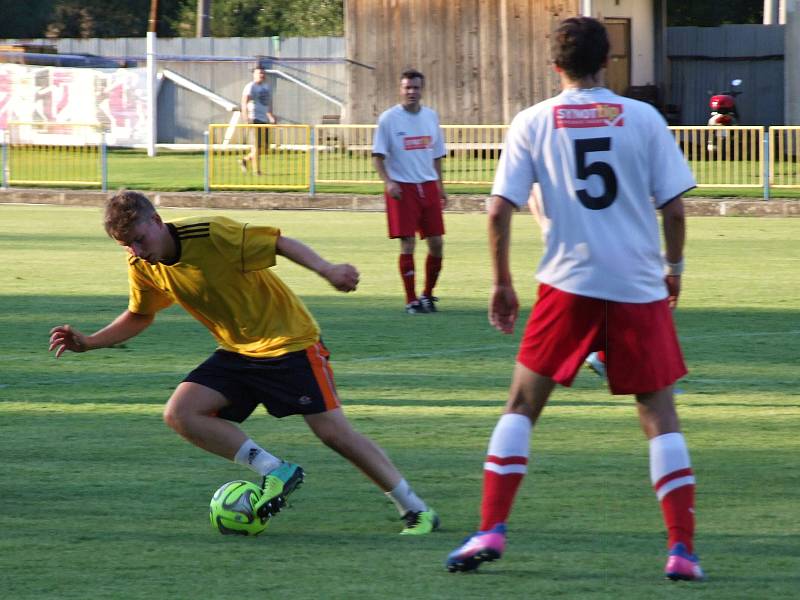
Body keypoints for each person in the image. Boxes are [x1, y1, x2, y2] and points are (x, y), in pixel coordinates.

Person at [446, 17, 703, 581]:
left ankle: (491, 527)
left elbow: (497, 209)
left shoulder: (533, 122)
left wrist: (502, 282)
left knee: (520, 407)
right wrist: (674, 270)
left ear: (554, 64)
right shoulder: (643, 117)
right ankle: (681, 550)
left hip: (568, 284)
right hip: (638, 287)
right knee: (659, 414)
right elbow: (676, 209)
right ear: (608, 61)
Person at [49, 190, 439, 536]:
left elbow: (279, 243)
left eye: (138, 239)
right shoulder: (142, 265)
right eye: (125, 245)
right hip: (238, 351)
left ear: (156, 220)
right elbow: (140, 314)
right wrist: (91, 342)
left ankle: (415, 508)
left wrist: (327, 269)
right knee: (181, 413)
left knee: (335, 435)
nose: (135, 250)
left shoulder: (212, 232)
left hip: (291, 343)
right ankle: (275, 470)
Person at [372, 69, 448, 314]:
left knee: (436, 243)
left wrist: (440, 186)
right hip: (402, 188)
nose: (411, 92)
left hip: (428, 186)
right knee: (408, 243)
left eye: (416, 88)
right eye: (407, 88)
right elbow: (378, 156)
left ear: (421, 89)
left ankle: (428, 294)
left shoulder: (431, 117)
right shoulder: (388, 119)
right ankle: (411, 299)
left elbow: (436, 155)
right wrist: (388, 182)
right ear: (400, 89)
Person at [240, 66, 276, 175]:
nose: (261, 75)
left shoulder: (267, 87)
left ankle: (245, 160)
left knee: (264, 148)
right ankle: (257, 171)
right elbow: (244, 103)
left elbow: (268, 103)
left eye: (263, 73)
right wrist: (246, 118)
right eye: (259, 73)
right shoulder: (250, 86)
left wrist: (271, 116)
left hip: (264, 119)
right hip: (254, 118)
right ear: (254, 74)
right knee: (256, 146)